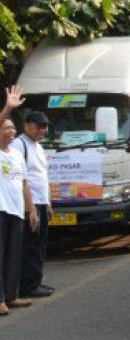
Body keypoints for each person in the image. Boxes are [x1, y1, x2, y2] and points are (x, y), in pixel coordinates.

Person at [0, 117, 37, 315]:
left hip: (16, 210)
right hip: (1, 210)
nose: (12, 130)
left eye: (13, 127)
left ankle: (11, 295)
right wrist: (8, 108)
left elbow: (24, 183)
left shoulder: (16, 154)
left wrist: (31, 210)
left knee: (14, 255)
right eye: (6, 127)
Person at [18, 111, 54, 298]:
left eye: (46, 126)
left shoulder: (38, 147)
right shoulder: (20, 145)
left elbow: (42, 177)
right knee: (30, 244)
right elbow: (23, 179)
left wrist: (47, 203)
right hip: (29, 204)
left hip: (41, 202)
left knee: (40, 243)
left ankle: (36, 281)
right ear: (27, 126)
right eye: (40, 126)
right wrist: (30, 208)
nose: (44, 130)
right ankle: (27, 286)